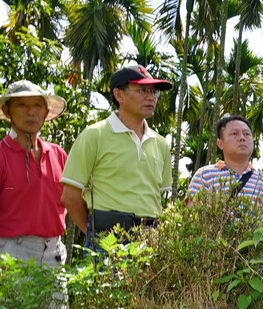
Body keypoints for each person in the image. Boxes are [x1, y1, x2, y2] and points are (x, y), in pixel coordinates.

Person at [61, 65, 173, 247]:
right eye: (142, 90)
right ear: (119, 94)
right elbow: (70, 197)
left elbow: (158, 200)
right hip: (107, 237)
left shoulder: (160, 144)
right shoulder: (94, 135)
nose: (151, 97)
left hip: (149, 241)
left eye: (154, 92)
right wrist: (95, 235)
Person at [0, 80, 68, 267]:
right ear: (7, 111)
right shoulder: (2, 154)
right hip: (11, 251)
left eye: (37, 105)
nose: (31, 112)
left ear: (46, 112)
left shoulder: (58, 154)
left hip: (55, 251)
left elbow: (71, 200)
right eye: (21, 105)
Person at [188, 115, 263, 236]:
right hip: (213, 246)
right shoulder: (204, 175)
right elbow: (191, 223)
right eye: (234, 134)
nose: (242, 138)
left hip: (254, 247)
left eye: (246, 134)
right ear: (220, 143)